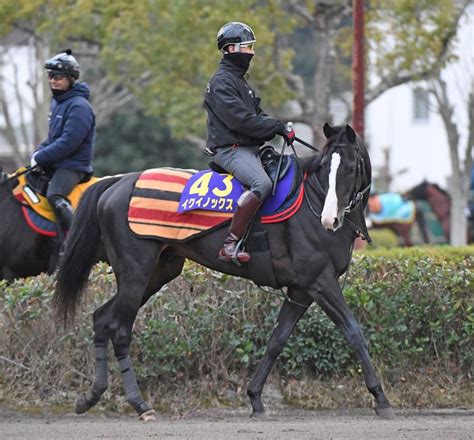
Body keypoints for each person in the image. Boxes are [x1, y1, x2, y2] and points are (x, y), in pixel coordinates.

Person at [204, 22, 295, 264]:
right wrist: (275, 126)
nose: (252, 52)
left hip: (249, 149)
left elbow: (258, 115)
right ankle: (230, 244)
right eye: (248, 47)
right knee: (262, 183)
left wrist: (281, 126)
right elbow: (242, 122)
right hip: (230, 150)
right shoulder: (221, 82)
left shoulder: (241, 82)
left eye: (252, 47)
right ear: (231, 48)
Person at [30, 49, 95, 239]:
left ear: (70, 78)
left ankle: (80, 238)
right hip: (58, 163)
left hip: (73, 166)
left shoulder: (79, 107)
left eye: (58, 76)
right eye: (51, 76)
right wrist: (37, 154)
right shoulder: (58, 103)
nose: (53, 80)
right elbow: (53, 138)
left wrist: (41, 157)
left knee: (54, 195)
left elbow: (68, 143)